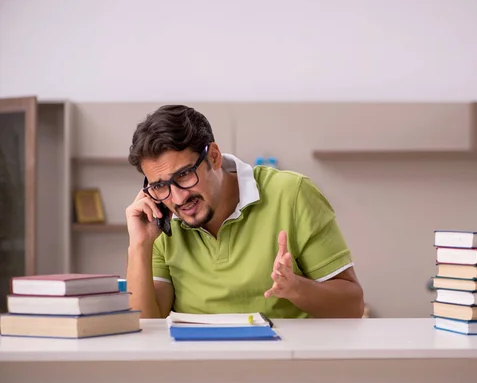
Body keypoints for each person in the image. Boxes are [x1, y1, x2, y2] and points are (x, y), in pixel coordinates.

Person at [125, 105, 364, 319]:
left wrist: (296, 289)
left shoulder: (292, 194)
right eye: (160, 186)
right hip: (198, 364)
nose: (178, 198)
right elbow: (146, 326)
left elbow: (352, 307)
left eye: (185, 175)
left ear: (214, 157)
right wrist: (139, 245)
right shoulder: (161, 221)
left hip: (283, 363)